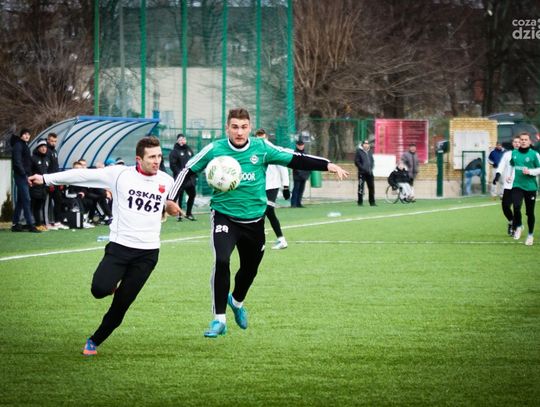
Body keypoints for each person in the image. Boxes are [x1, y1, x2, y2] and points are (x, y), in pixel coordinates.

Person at [166, 108, 348, 338]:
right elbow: (187, 170)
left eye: (243, 127)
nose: (239, 132)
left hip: (254, 221)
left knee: (249, 270)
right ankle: (219, 319)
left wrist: (327, 165)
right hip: (224, 216)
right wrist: (171, 198)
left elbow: (295, 158)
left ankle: (237, 302)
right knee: (221, 260)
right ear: (227, 128)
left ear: (250, 128)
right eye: (234, 127)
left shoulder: (261, 148)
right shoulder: (215, 149)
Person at [28, 137, 180, 356]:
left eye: (159, 156)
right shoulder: (119, 175)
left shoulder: (167, 180)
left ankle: (94, 340)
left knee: (122, 303)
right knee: (98, 290)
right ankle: (111, 285)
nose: (157, 161)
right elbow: (81, 175)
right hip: (119, 248)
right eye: (152, 157)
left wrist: (171, 208)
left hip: (148, 254)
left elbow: (169, 206)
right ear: (139, 159)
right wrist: (45, 179)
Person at [255, 128, 290, 249]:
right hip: (260, 187)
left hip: (272, 186)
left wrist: (286, 187)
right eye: (258, 138)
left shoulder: (273, 150)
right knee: (264, 212)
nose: (261, 140)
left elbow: (283, 169)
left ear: (266, 137)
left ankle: (271, 240)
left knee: (267, 209)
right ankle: (279, 240)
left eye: (263, 138)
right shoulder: (254, 151)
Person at [509, 132, 540, 246]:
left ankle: (530, 235)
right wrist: (510, 176)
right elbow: (512, 165)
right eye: (521, 139)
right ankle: (518, 226)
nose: (523, 141)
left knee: (530, 212)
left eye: (525, 139)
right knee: (516, 206)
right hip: (517, 185)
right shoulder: (514, 153)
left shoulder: (534, 154)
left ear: (530, 141)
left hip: (530, 187)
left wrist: (530, 171)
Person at [10, 128, 40, 233]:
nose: (27, 136)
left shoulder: (24, 145)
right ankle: (31, 224)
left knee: (21, 201)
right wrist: (24, 175)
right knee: (27, 199)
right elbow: (17, 162)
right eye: (25, 134)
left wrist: (29, 175)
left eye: (28, 134)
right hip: (21, 176)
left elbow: (26, 162)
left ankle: (15, 224)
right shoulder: (18, 145)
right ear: (21, 135)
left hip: (24, 175)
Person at [493, 136, 521, 236]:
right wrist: (497, 175)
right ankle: (511, 221)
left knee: (516, 207)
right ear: (512, 143)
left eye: (518, 142)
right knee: (505, 206)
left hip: (520, 185)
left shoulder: (525, 154)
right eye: (515, 142)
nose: (517, 143)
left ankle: (515, 227)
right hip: (508, 185)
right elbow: (501, 166)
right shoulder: (507, 154)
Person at [169, 134, 197, 221]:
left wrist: (194, 174)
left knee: (192, 194)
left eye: (183, 139)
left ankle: (189, 213)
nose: (182, 141)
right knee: (179, 197)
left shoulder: (189, 150)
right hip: (180, 179)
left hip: (190, 179)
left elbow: (194, 162)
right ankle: (179, 215)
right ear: (177, 141)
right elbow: (173, 165)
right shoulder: (174, 152)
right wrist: (180, 174)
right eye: (180, 139)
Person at [44, 132, 68, 230]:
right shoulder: (46, 151)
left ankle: (57, 221)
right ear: (48, 140)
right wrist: (49, 182)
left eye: (55, 141)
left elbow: (56, 167)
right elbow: (46, 168)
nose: (53, 143)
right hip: (49, 181)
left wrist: (60, 180)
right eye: (52, 141)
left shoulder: (54, 151)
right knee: (48, 202)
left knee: (58, 200)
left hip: (56, 180)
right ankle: (47, 223)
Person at [29, 139, 51, 231]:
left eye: (45, 147)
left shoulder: (47, 159)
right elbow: (29, 171)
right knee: (34, 206)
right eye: (41, 147)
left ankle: (40, 223)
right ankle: (33, 224)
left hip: (43, 187)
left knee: (40, 206)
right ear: (38, 148)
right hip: (34, 186)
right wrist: (31, 181)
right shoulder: (33, 158)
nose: (43, 148)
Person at [354, 140, 376, 206]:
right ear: (362, 145)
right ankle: (360, 202)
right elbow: (357, 162)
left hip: (370, 173)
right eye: (365, 144)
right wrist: (362, 168)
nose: (366, 145)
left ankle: (372, 202)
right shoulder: (359, 152)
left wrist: (371, 168)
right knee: (361, 187)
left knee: (371, 187)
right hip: (362, 173)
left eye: (367, 144)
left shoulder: (370, 152)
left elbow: (372, 161)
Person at [290, 139, 311, 208]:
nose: (301, 146)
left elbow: (309, 164)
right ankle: (293, 204)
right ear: (297, 145)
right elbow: (294, 165)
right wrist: (300, 173)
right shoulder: (295, 153)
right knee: (296, 189)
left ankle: (299, 203)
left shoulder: (306, 153)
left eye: (302, 145)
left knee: (301, 189)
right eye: (299, 145)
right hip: (297, 175)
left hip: (304, 175)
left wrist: (307, 173)